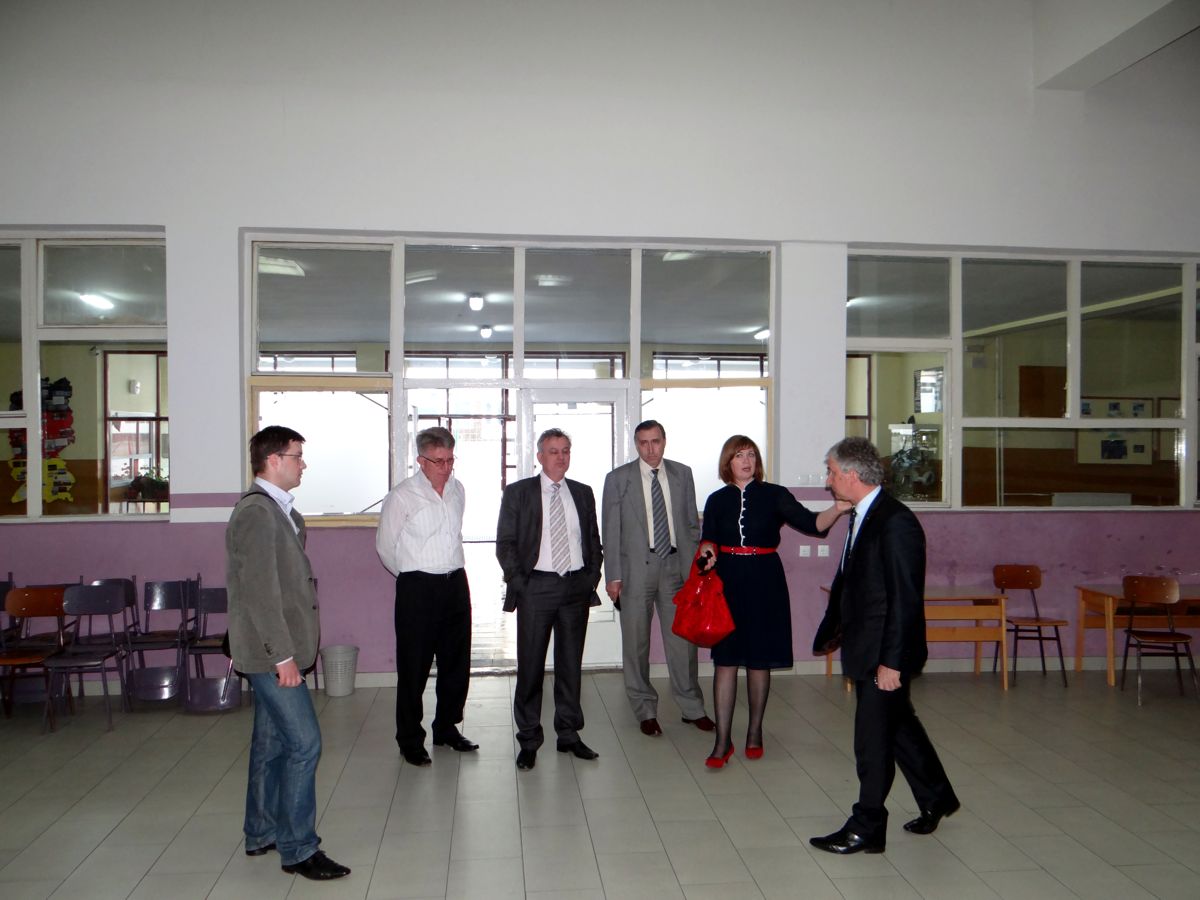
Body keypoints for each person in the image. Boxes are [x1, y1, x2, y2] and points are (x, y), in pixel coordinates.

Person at [809, 436, 959, 855]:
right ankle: (937, 797)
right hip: (866, 645)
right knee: (899, 728)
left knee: (871, 741)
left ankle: (867, 826)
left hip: (883, 653)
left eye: (831, 472)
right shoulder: (862, 514)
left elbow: (904, 599)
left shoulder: (896, 522)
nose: (828, 480)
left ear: (851, 475)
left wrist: (891, 663)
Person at [226, 426, 350, 881]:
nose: (303, 464)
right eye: (297, 456)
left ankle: (261, 831)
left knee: (271, 743)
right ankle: (298, 849)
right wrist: (282, 658)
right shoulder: (257, 514)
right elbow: (260, 594)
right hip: (270, 654)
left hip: (276, 649)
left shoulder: (284, 512)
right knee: (304, 744)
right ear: (273, 460)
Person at [696, 435, 845, 768]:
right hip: (727, 582)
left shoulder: (776, 494)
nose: (746, 461)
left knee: (759, 660)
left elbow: (812, 524)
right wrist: (707, 553)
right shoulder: (716, 499)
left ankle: (754, 733)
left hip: (765, 581)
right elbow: (709, 540)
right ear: (728, 462)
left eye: (751, 455)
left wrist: (838, 507)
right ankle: (722, 742)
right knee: (725, 660)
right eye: (739, 455)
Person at [496, 428, 603, 770]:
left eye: (565, 450)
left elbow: (593, 540)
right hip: (536, 588)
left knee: (570, 666)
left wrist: (591, 576)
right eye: (553, 451)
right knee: (530, 667)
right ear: (540, 456)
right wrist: (521, 583)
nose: (560, 457)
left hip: (574, 588)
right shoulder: (519, 493)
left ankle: (568, 734)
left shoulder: (582, 493)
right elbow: (506, 543)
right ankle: (529, 739)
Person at [602, 420, 713, 736]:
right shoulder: (618, 479)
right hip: (635, 570)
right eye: (643, 443)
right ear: (636, 444)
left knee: (683, 642)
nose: (650, 449)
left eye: (655, 441)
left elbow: (690, 524)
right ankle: (645, 709)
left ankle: (692, 707)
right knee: (636, 642)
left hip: (675, 567)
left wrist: (694, 571)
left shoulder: (682, 474)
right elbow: (610, 531)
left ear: (664, 441)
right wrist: (613, 576)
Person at [376, 426, 477, 767]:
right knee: (414, 666)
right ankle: (409, 739)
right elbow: (386, 547)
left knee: (456, 663)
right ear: (420, 460)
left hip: (455, 582)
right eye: (438, 461)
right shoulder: (403, 496)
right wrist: (412, 577)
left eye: (450, 460)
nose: (446, 468)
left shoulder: (458, 490)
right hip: (418, 586)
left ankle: (447, 728)